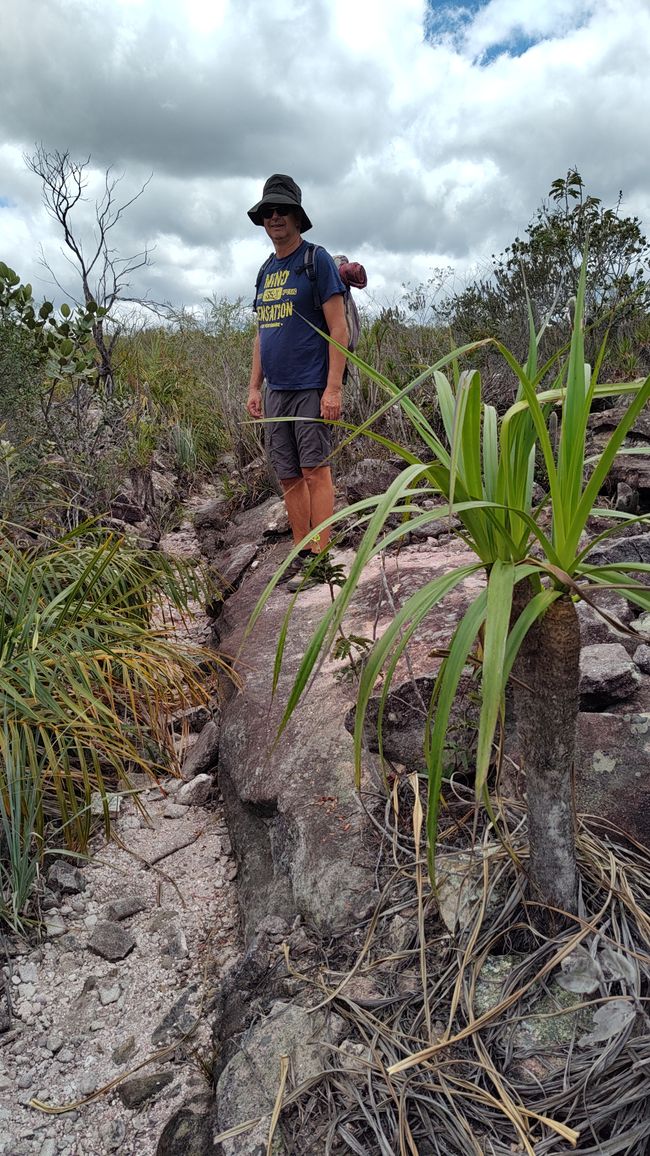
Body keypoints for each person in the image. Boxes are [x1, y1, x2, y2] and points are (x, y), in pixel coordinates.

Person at [246, 174, 348, 590]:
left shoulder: (316, 261)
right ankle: (303, 550)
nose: (274, 218)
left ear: (297, 217)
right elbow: (262, 333)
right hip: (276, 391)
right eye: (268, 211)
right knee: (288, 475)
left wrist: (334, 388)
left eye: (282, 210)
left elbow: (337, 328)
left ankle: (321, 559)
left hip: (310, 384)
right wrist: (255, 387)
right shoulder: (266, 270)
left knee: (314, 470)